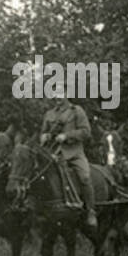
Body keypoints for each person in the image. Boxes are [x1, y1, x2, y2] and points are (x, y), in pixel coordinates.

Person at [40, 95, 98, 228]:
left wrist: (67, 136)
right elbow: (43, 132)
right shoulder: (49, 114)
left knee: (85, 177)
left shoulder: (77, 111)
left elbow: (86, 132)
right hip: (53, 154)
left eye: (61, 93)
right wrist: (44, 136)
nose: (57, 97)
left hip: (74, 153)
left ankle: (90, 211)